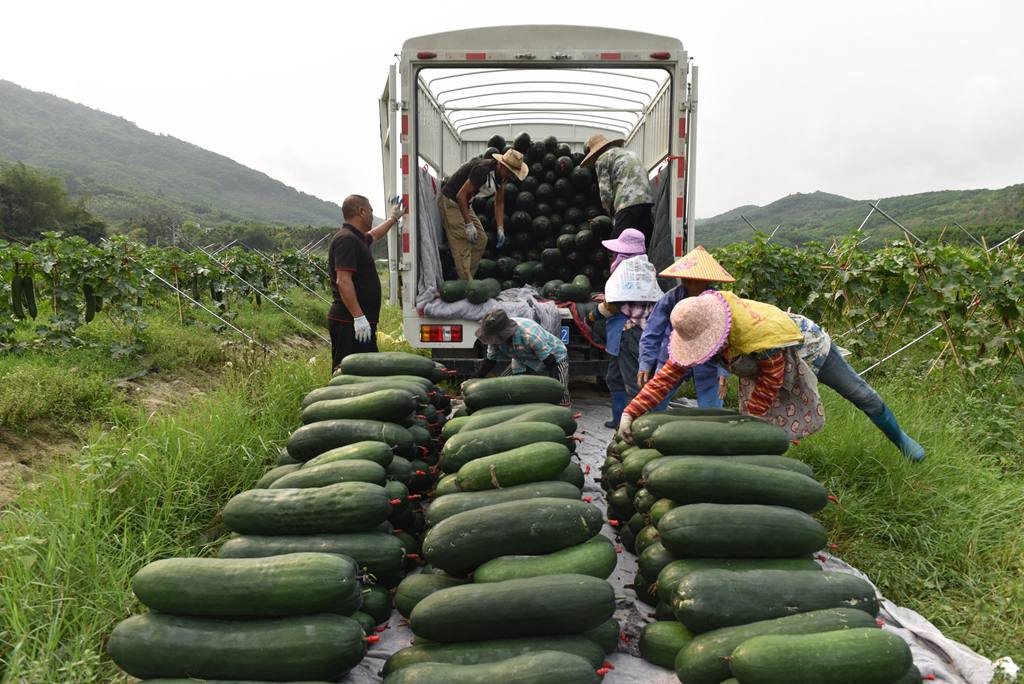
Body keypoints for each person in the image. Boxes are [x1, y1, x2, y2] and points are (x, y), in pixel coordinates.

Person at [619, 290, 926, 462]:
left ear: (717, 332)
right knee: (762, 422)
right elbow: (666, 377)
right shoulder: (703, 329)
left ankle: (902, 442)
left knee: (858, 393)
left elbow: (772, 380)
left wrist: (748, 425)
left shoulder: (756, 334)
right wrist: (632, 411)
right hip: (764, 364)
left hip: (805, 347)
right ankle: (776, 461)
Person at [638, 246, 733, 408]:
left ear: (706, 280)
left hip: (708, 360)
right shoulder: (670, 299)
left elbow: (728, 340)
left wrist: (723, 372)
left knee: (712, 412)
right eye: (686, 279)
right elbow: (652, 332)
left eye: (694, 280)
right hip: (673, 356)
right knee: (653, 403)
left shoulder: (719, 303)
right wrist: (645, 363)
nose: (689, 283)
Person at [591, 228, 662, 428]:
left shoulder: (627, 270)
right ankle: (618, 418)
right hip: (627, 333)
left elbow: (613, 307)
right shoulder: (643, 268)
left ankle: (639, 425)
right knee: (613, 378)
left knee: (633, 382)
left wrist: (593, 315)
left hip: (629, 333)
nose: (613, 257)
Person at [327, 194, 404, 371]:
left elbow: (374, 235)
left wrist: (393, 218)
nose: (371, 214)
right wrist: (358, 317)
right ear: (361, 212)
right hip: (349, 323)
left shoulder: (357, 238)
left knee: (367, 372)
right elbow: (343, 280)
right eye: (370, 211)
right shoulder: (346, 240)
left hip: (359, 322)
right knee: (345, 372)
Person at [439, 148, 529, 280]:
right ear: (501, 164)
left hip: (465, 204)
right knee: (462, 243)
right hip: (451, 202)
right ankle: (466, 283)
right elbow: (460, 195)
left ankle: (465, 279)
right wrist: (468, 224)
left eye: (513, 173)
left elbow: (499, 203)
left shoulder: (502, 177)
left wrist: (500, 228)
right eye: (509, 171)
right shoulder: (482, 171)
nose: (510, 175)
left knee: (481, 240)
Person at [471, 309, 571, 405]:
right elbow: (489, 361)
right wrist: (473, 380)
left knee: (560, 390)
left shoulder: (529, 335)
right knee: (503, 387)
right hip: (523, 358)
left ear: (504, 334)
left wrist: (554, 386)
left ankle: (565, 407)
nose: (493, 341)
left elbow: (550, 362)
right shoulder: (494, 337)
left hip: (554, 356)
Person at [579, 133, 655, 242]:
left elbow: (605, 194)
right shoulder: (628, 152)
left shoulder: (602, 159)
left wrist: (610, 215)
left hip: (627, 201)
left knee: (618, 241)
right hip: (647, 199)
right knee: (643, 239)